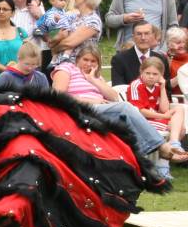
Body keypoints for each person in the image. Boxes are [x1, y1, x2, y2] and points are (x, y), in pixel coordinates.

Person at [50, 45, 188, 178]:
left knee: (126, 119)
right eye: (85, 60)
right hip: (78, 110)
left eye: (93, 61)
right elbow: (58, 96)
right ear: (77, 59)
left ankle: (143, 167)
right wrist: (90, 101)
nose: (89, 64)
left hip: (101, 111)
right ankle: (162, 148)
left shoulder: (95, 76)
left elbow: (113, 96)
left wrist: (93, 80)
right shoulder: (66, 69)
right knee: (126, 107)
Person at [126, 58, 184, 155]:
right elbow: (139, 111)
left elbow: (164, 109)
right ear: (141, 71)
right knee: (179, 129)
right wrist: (164, 117)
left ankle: (170, 148)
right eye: (147, 73)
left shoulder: (157, 85)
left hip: (156, 118)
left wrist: (162, 88)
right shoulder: (136, 85)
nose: (151, 77)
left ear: (161, 75)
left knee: (179, 109)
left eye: (155, 74)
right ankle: (165, 157)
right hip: (142, 121)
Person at [47, 0, 104, 69]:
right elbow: (52, 36)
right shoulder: (75, 17)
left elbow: (69, 42)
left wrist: (55, 48)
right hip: (63, 67)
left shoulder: (93, 20)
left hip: (78, 70)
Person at [110, 22, 170, 87]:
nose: (143, 38)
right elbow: (119, 88)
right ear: (133, 37)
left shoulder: (161, 59)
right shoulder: (119, 60)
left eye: (146, 33)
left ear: (152, 36)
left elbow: (167, 88)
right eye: (139, 34)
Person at [32, 0, 72, 68]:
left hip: (48, 31)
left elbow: (66, 18)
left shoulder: (61, 11)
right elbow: (49, 23)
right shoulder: (51, 13)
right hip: (40, 30)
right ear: (52, 1)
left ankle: (55, 59)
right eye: (61, 0)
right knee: (68, 35)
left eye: (65, 1)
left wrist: (74, 15)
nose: (64, 3)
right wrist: (55, 20)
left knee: (62, 38)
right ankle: (65, 55)